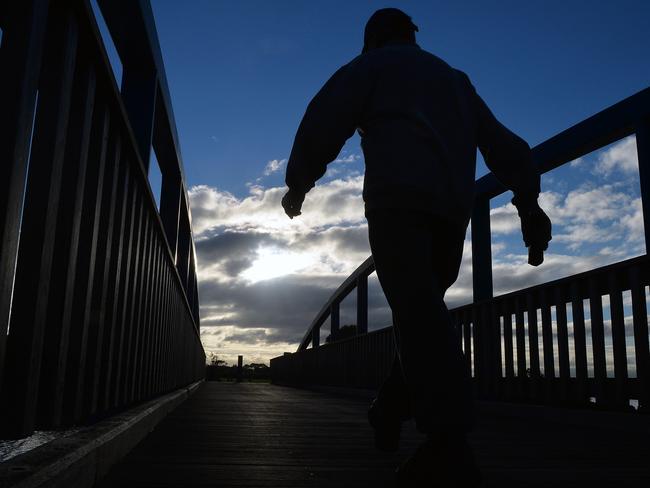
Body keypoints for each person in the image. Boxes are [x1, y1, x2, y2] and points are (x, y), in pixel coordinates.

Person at [281, 8, 552, 487]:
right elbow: (503, 144)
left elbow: (324, 120)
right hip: (450, 213)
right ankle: (389, 406)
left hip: (396, 206)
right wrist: (528, 203)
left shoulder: (369, 68)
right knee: (420, 311)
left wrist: (300, 183)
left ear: (372, 40)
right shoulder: (455, 79)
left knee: (419, 312)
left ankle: (448, 442)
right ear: (412, 36)